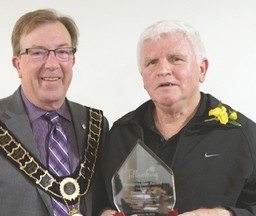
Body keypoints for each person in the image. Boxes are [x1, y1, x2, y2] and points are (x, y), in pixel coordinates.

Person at [99, 20, 256, 216]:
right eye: (152, 62)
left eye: (176, 59)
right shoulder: (121, 133)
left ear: (202, 69)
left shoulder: (242, 134)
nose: (163, 70)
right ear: (143, 77)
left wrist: (227, 215)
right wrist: (104, 212)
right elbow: (99, 200)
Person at [0, 9, 109, 216]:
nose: (52, 64)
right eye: (37, 52)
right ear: (18, 65)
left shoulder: (96, 125)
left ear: (72, 61)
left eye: (62, 52)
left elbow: (107, 201)